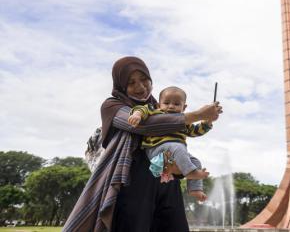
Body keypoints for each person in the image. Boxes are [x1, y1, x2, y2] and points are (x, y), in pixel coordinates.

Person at [63, 56, 222, 232]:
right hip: (133, 184)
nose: (140, 87)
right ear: (122, 85)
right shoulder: (112, 105)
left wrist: (207, 121)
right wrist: (197, 115)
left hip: (165, 179)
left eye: (144, 80)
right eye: (131, 82)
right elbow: (145, 126)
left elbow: (178, 137)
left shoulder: (159, 106)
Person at [128, 86, 212, 202]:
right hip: (156, 149)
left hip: (176, 153)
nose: (171, 106)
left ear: (184, 107)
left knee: (196, 161)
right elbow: (142, 109)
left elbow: (195, 131)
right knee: (178, 147)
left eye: (177, 104)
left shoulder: (184, 121)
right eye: (166, 103)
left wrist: (208, 122)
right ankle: (190, 172)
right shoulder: (156, 112)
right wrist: (137, 115)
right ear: (158, 105)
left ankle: (195, 189)